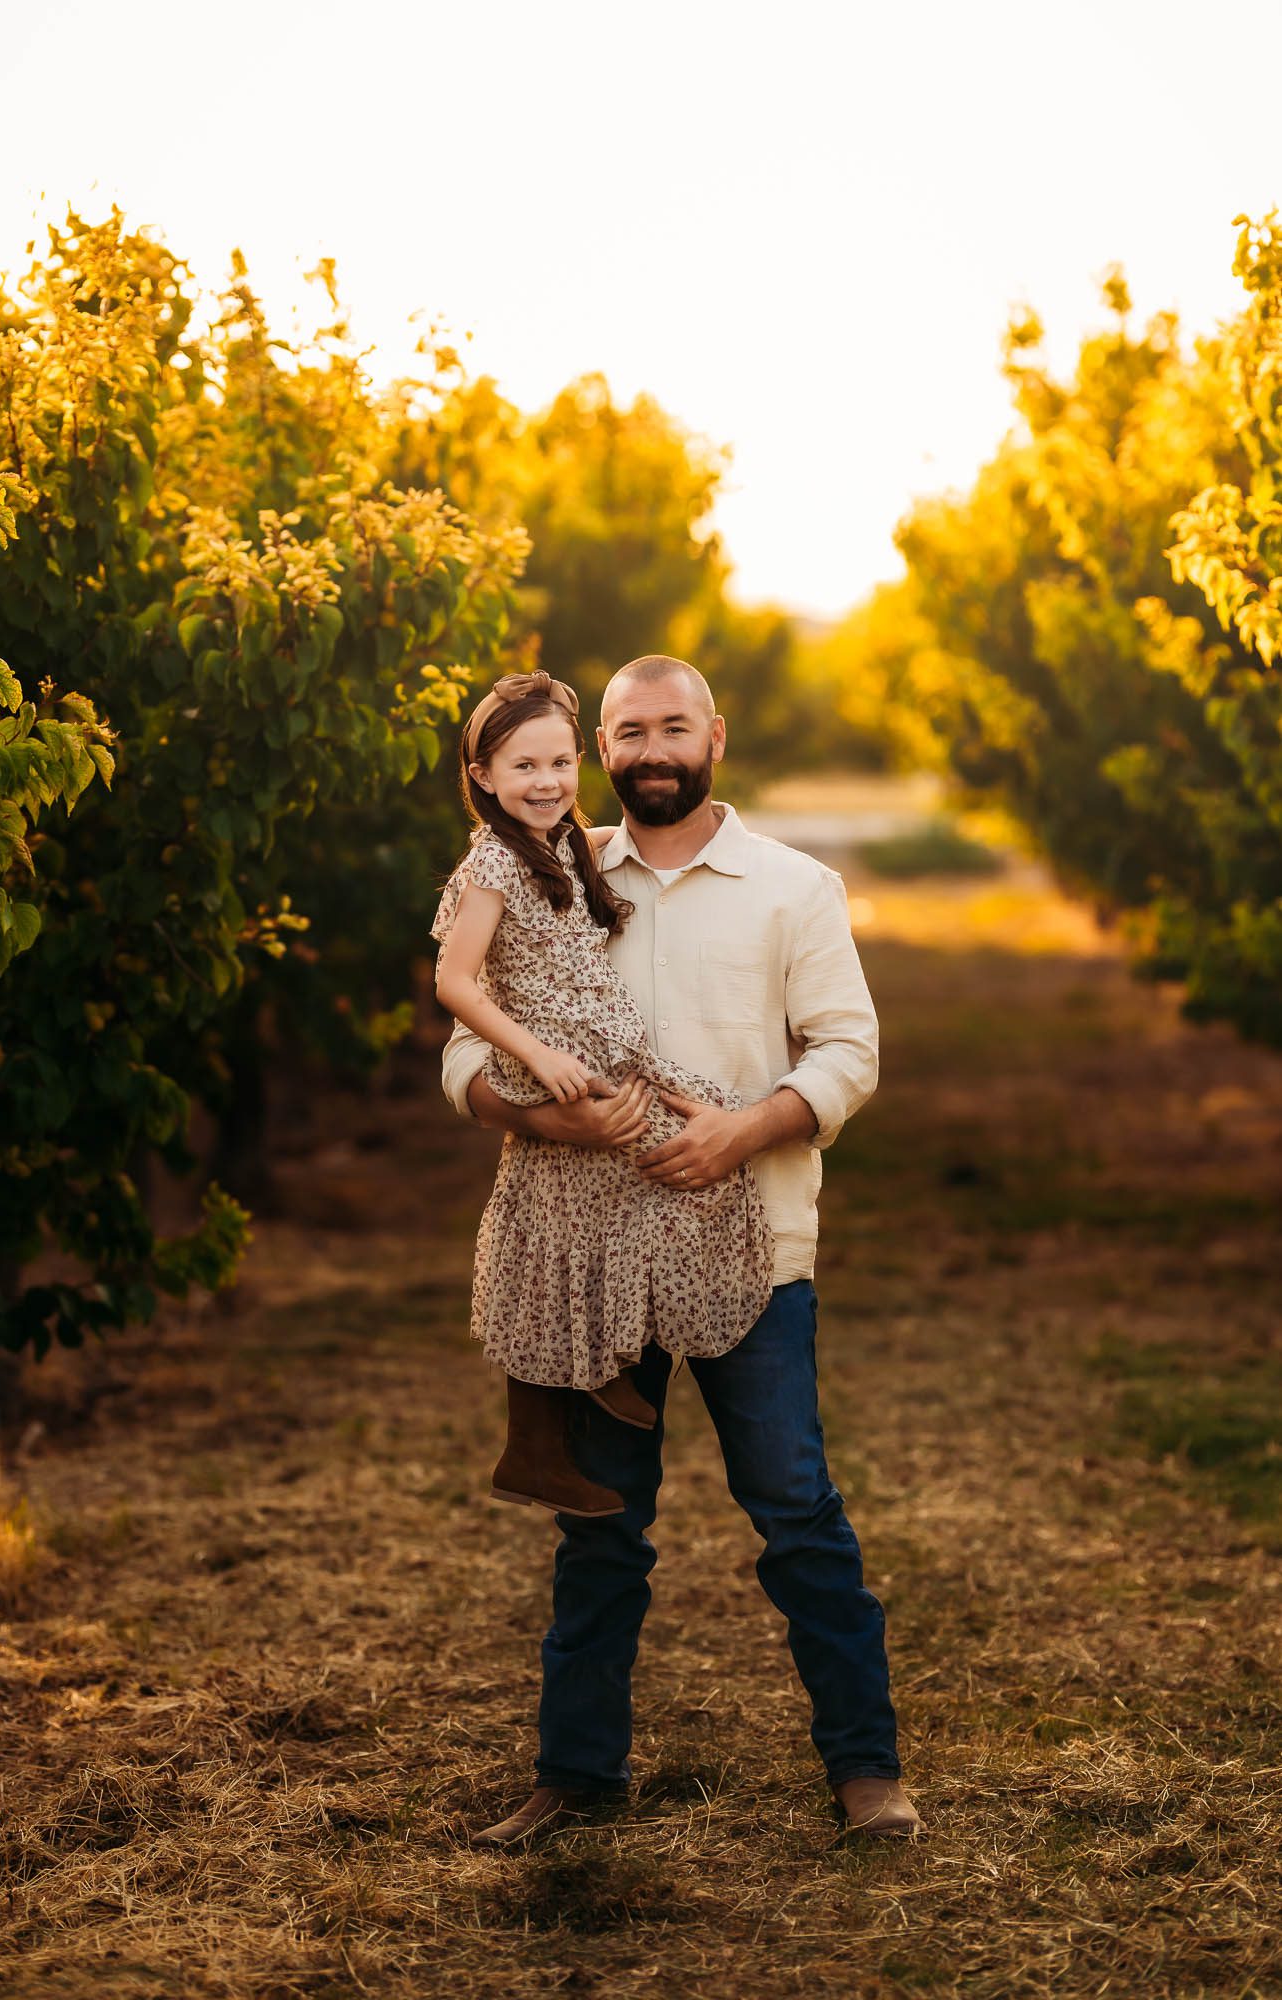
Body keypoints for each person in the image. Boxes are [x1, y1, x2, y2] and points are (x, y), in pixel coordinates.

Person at [441, 653, 922, 1844]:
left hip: (751, 1248)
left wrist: (743, 1129)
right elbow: (460, 1054)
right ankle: (577, 1771)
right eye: (624, 732)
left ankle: (866, 1770)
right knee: (599, 1522)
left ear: (714, 732)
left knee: (795, 1510)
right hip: (597, 1258)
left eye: (670, 727)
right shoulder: (543, 864)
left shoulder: (791, 886)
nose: (647, 750)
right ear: (598, 748)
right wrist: (539, 1112)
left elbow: (847, 1051)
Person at [432, 669, 775, 1520]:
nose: (545, 783)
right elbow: (454, 981)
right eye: (522, 768)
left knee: (651, 1172)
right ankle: (537, 1443)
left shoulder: (560, 846)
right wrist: (538, 1059)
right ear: (481, 777)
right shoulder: (491, 865)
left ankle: (604, 1358)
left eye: (557, 764)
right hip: (556, 1060)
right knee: (653, 1164)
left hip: (597, 1048)